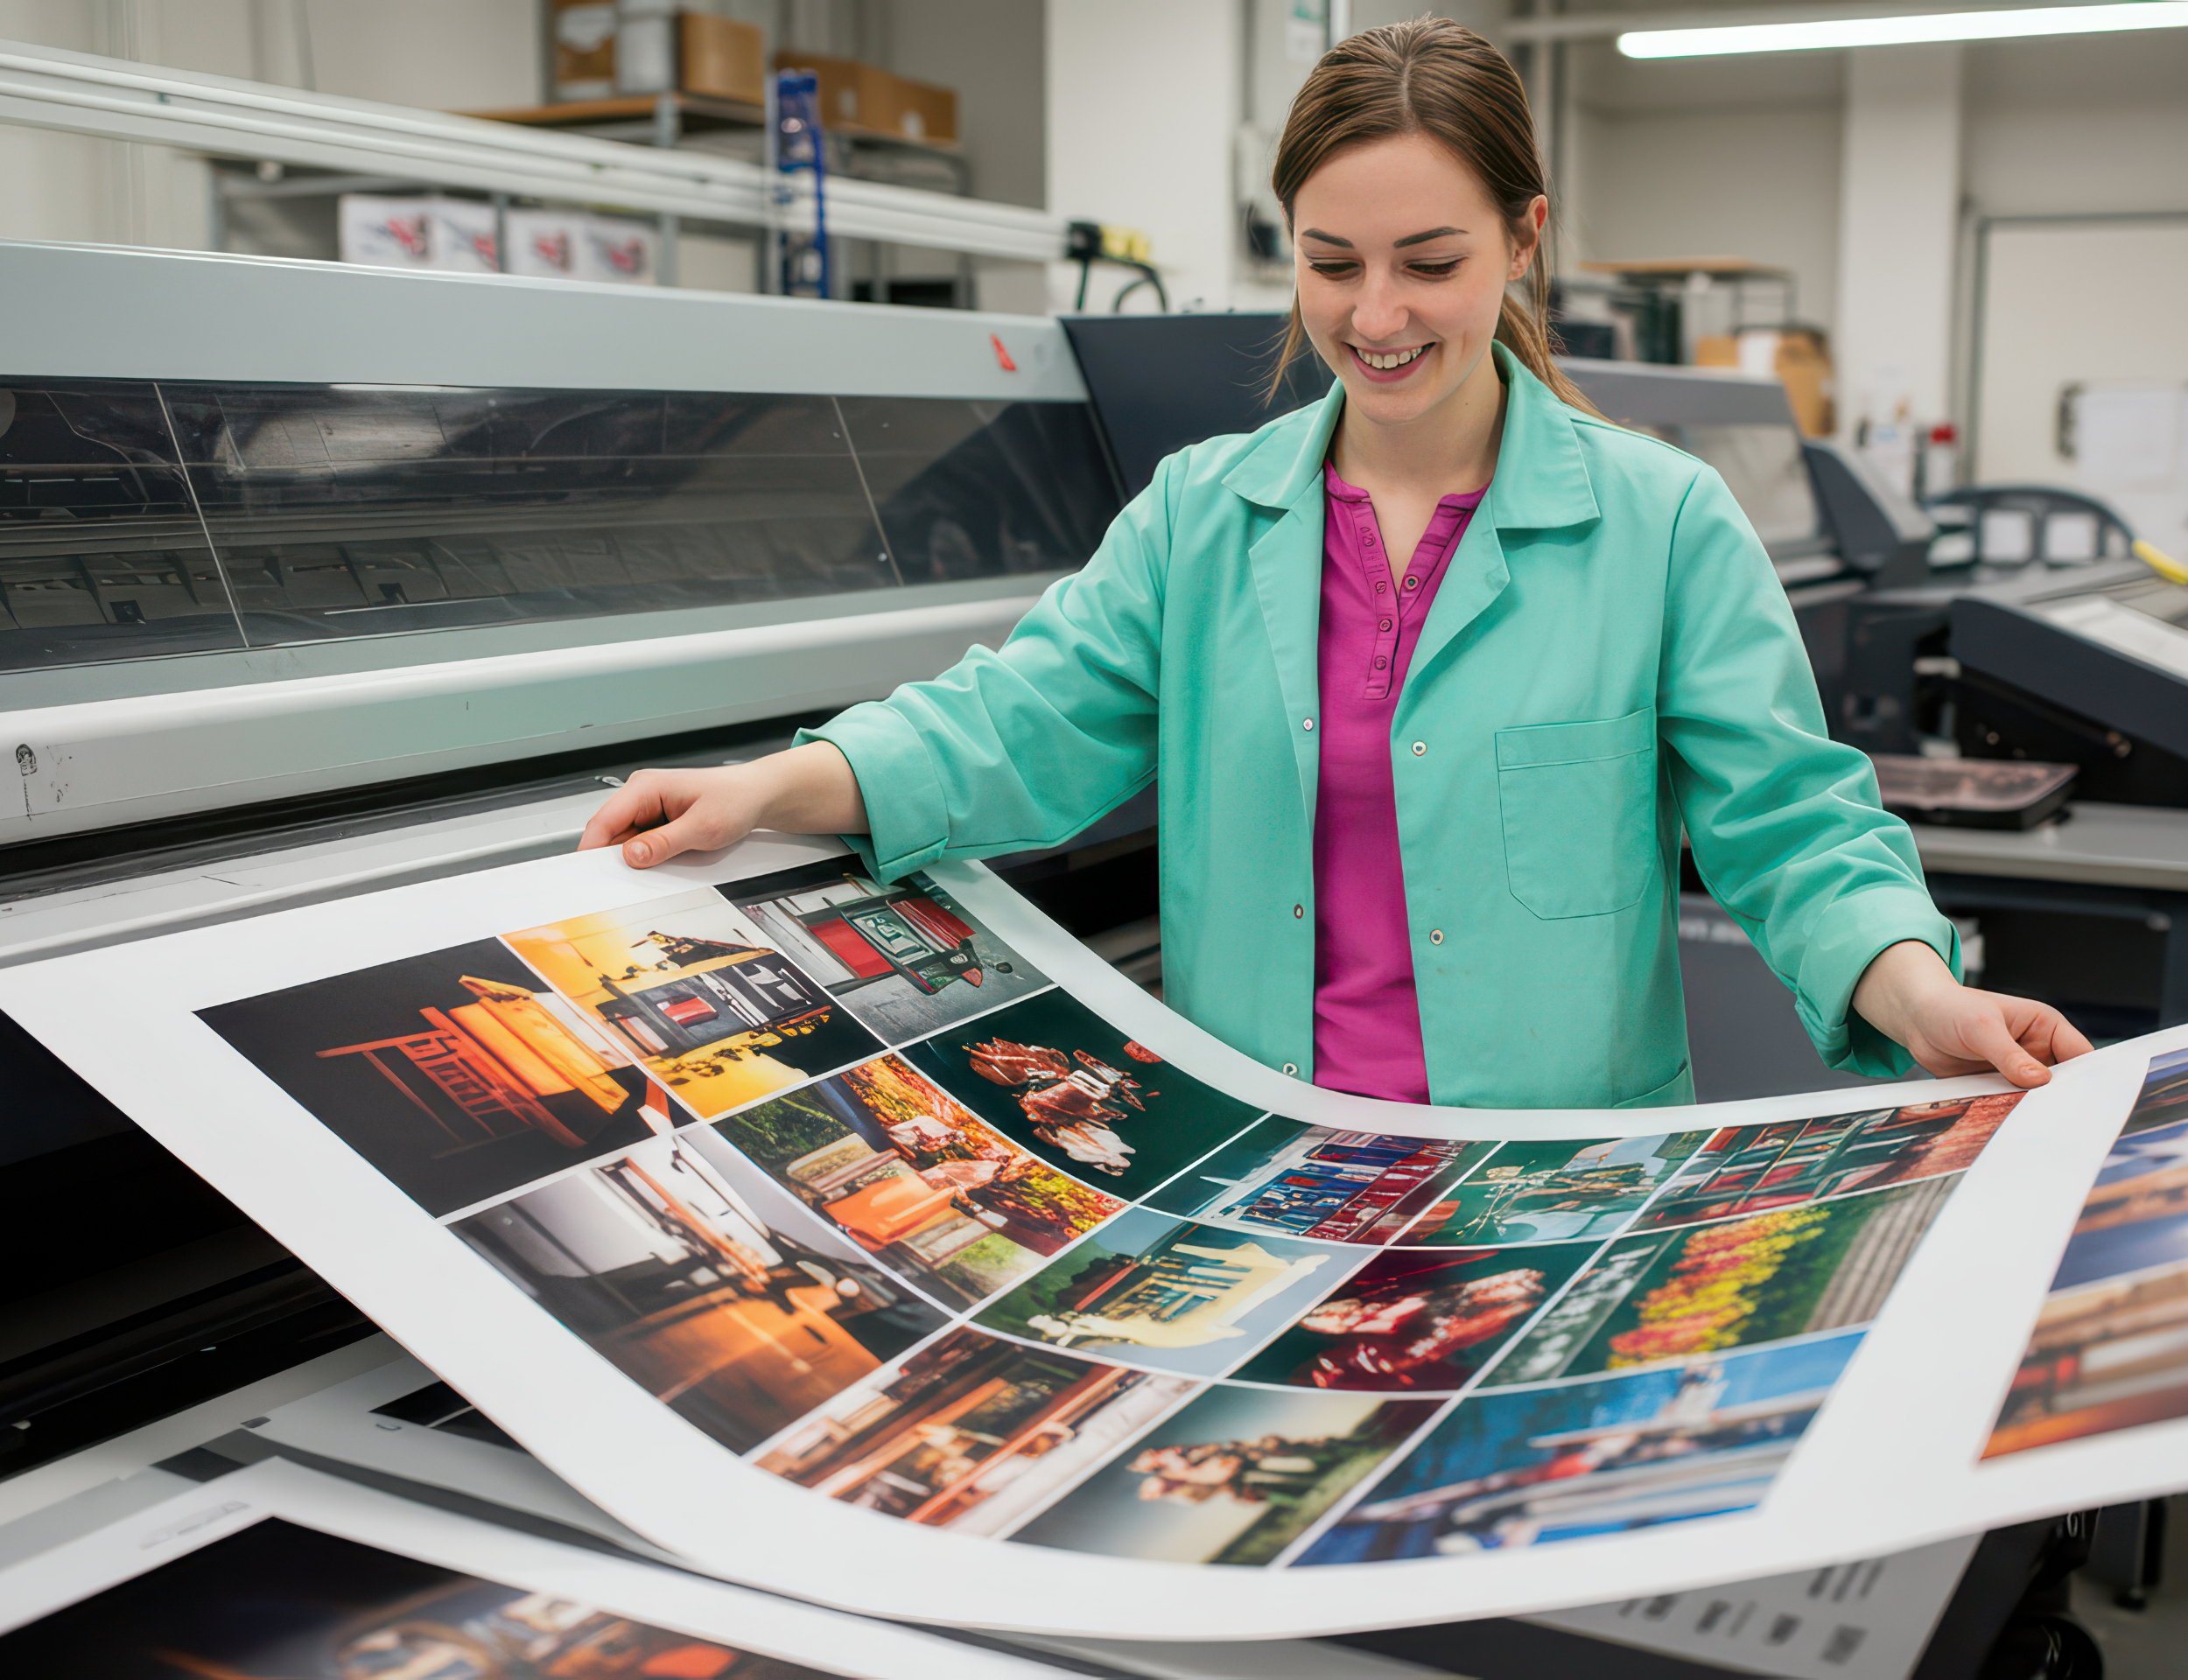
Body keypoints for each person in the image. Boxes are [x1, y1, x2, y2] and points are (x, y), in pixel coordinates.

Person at [580, 19, 2089, 1109]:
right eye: (1330, 262)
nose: (1376, 316)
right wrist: (767, 788)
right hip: (1270, 1169)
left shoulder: (1664, 524)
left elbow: (1795, 830)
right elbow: (1013, 722)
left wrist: (1926, 997)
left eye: (1431, 263)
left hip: (1548, 1179)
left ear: (1525, 240)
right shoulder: (1201, 518)